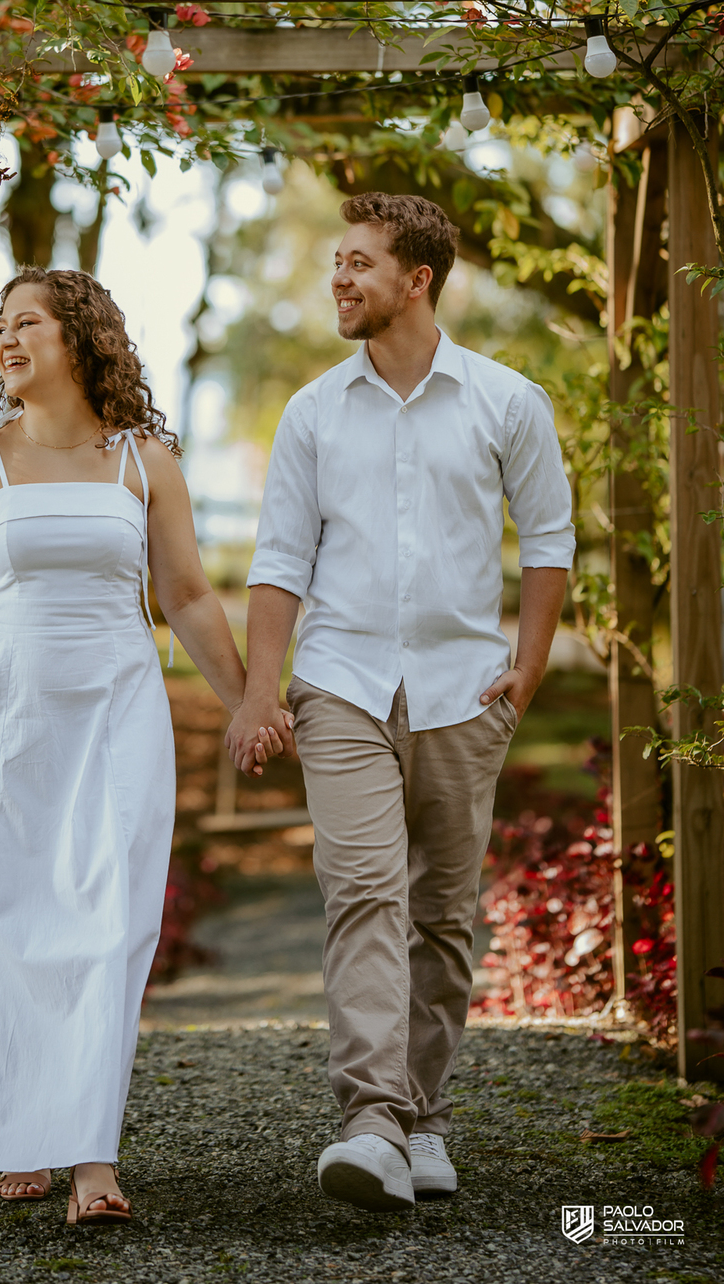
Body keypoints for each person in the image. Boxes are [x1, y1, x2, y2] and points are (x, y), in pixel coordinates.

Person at [0, 266, 272, 1224]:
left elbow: (184, 597)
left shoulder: (145, 462)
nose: (7, 341)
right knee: (11, 925)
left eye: (28, 324)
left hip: (116, 716)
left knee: (110, 926)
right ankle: (20, 1129)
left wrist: (249, 703)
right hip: (1, 725)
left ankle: (92, 1160)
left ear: (80, 340)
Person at [227, 193, 575, 1213]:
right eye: (335, 262)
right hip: (341, 684)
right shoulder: (313, 411)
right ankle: (372, 1120)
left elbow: (547, 539)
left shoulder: (508, 400)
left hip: (464, 691)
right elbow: (280, 561)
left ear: (417, 280)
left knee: (444, 914)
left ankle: (423, 1118)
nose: (338, 279)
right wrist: (261, 692)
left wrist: (530, 665)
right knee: (367, 887)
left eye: (358, 263)